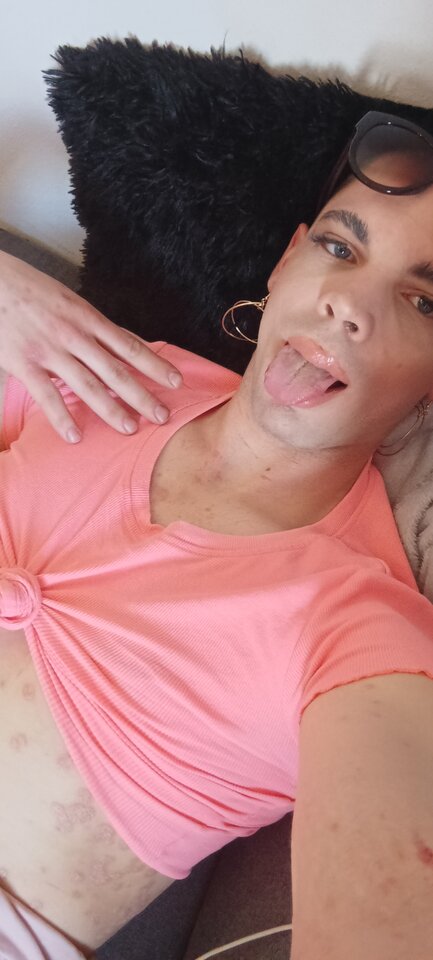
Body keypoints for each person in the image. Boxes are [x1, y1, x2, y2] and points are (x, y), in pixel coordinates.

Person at [2, 110, 433, 960]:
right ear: (286, 259)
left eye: (422, 300)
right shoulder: (114, 371)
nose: (345, 303)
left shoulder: (356, 624)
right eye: (339, 247)